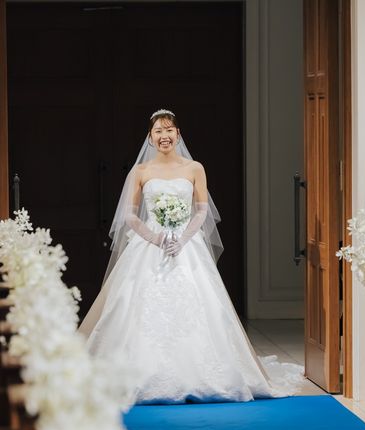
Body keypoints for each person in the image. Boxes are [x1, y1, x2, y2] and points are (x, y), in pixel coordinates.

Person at [80, 109, 302, 403]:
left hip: (186, 244)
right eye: (158, 131)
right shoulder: (141, 172)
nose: (164, 136)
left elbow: (201, 211)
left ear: (178, 134)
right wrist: (156, 238)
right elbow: (130, 216)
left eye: (169, 130)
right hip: (151, 244)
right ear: (150, 138)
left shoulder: (194, 168)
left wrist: (183, 239)